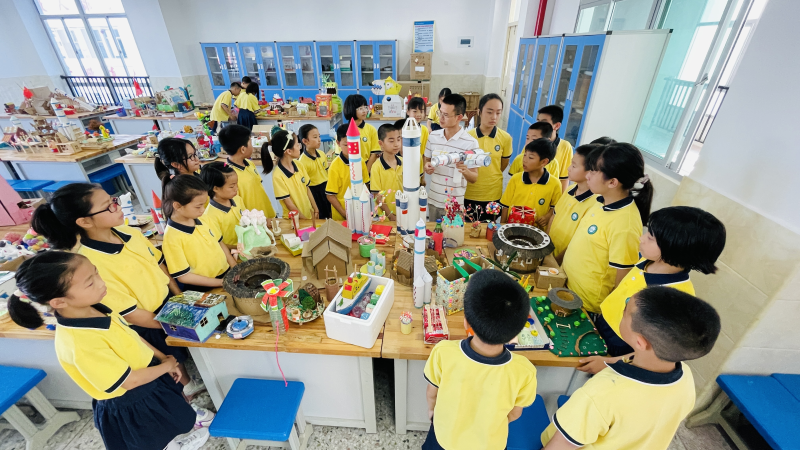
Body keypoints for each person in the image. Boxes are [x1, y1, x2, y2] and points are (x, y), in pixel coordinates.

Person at [6, 252, 212, 450]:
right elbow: (129, 381)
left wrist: (162, 358)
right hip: (133, 401)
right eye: (90, 282)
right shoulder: (79, 343)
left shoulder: (96, 307)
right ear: (59, 302)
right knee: (155, 439)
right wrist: (166, 366)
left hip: (148, 380)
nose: (101, 283)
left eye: (96, 272)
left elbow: (131, 336)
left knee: (168, 426)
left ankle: (175, 444)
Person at [30, 183, 209, 401]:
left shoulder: (129, 232)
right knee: (168, 363)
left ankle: (190, 385)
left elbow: (158, 264)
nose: (118, 206)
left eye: (113, 200)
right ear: (84, 221)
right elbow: (130, 314)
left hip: (170, 306)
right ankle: (187, 394)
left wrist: (179, 297)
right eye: (109, 206)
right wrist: (174, 324)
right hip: (148, 322)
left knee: (179, 355)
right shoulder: (89, 265)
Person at [541, 287, 721, 450]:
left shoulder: (601, 393)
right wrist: (609, 361)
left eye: (625, 309)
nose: (623, 308)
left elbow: (561, 446)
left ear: (640, 342)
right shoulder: (686, 378)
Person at [576, 206, 726, 364]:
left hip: (621, 347)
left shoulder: (676, 297)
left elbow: (653, 352)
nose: (642, 238)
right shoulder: (646, 261)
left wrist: (610, 363)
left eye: (650, 237)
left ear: (674, 248)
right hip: (603, 323)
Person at [423, 270, 538, 450]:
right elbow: (514, 414)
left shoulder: (443, 352)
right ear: (515, 334)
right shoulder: (525, 371)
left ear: (466, 322)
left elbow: (432, 393)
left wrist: (432, 411)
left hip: (444, 438)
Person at [561, 143, 654, 315]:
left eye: (594, 171)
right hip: (567, 287)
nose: (587, 175)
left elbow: (622, 279)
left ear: (612, 182)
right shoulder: (600, 201)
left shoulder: (625, 224)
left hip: (586, 306)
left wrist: (607, 315)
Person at [162, 175, 238, 292]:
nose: (203, 209)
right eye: (198, 206)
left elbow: (220, 243)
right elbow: (184, 276)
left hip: (227, 276)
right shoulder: (171, 238)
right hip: (203, 289)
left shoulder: (203, 218)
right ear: (177, 206)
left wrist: (234, 267)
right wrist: (221, 283)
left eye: (204, 204)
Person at [423, 94, 480, 222]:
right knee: (434, 233)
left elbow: (474, 178)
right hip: (434, 200)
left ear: (459, 117)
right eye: (440, 113)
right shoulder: (433, 137)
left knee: (453, 234)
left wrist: (465, 170)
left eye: (446, 115)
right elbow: (427, 160)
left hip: (455, 205)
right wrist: (427, 167)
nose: (440, 118)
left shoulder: (470, 143)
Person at [465, 94, 512, 222]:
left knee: (489, 228)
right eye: (490, 112)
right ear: (479, 112)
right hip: (469, 193)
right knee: (468, 228)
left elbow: (503, 164)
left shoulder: (505, 138)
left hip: (492, 193)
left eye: (498, 112)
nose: (494, 117)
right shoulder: (467, 137)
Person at [547, 143, 599, 261]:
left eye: (574, 166)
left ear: (590, 172)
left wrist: (557, 261)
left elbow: (579, 240)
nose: (568, 168)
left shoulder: (595, 203)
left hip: (564, 261)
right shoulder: (570, 189)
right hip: (549, 252)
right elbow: (554, 215)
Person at [500, 138, 561, 228]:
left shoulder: (555, 183)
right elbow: (505, 205)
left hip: (536, 231)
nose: (524, 160)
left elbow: (555, 207)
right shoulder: (516, 178)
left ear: (544, 162)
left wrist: (547, 217)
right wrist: (501, 226)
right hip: (512, 227)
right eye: (525, 155)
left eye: (530, 157)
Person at [219, 124, 276, 218]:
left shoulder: (249, 163)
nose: (252, 146)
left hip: (266, 215)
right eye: (250, 142)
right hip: (254, 222)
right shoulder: (230, 176)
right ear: (243, 149)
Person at [268, 130, 318, 220]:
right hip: (294, 220)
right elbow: (289, 204)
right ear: (289, 151)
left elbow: (307, 189)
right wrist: (304, 219)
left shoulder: (299, 165)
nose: (300, 147)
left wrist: (316, 209)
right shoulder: (278, 175)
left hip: (308, 215)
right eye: (297, 144)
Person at [326, 124, 370, 221]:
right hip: (342, 215)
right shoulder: (335, 166)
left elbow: (365, 185)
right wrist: (345, 214)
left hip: (360, 212)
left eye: (354, 144)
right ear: (338, 143)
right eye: (346, 145)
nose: (351, 148)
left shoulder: (361, 161)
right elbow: (330, 195)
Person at [200, 162, 244, 247]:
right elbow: (218, 244)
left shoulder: (237, 199)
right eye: (231, 186)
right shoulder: (210, 216)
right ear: (216, 188)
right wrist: (241, 248)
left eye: (236, 184)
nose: (236, 188)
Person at [297, 124, 331, 219]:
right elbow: (304, 186)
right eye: (315, 137)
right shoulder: (302, 162)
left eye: (319, 136)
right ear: (305, 141)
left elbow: (327, 172)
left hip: (326, 188)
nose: (319, 140)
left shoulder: (322, 154)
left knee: (330, 214)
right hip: (314, 192)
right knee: (320, 218)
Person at [370, 124, 403, 221]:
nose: (396, 144)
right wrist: (390, 216)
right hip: (386, 218)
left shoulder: (404, 162)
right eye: (391, 141)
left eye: (398, 139)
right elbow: (377, 196)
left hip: (404, 212)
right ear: (381, 143)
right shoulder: (376, 167)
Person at [538, 105, 572, 192]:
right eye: (538, 121)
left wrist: (560, 199)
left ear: (556, 126)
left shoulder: (565, 147)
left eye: (544, 122)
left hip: (550, 194)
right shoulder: (532, 141)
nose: (539, 125)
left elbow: (564, 179)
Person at [343, 94, 380, 171]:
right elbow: (341, 154)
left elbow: (374, 153)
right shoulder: (344, 130)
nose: (364, 111)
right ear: (351, 109)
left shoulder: (371, 129)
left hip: (367, 166)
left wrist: (366, 171)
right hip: (349, 167)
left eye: (365, 107)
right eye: (360, 108)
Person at [401, 97, 429, 177]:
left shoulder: (424, 130)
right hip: (402, 169)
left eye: (421, 111)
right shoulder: (402, 129)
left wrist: (423, 176)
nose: (418, 114)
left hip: (417, 169)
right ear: (408, 111)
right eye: (415, 111)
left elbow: (424, 154)